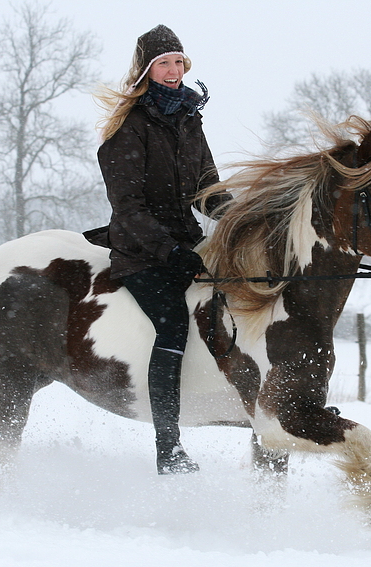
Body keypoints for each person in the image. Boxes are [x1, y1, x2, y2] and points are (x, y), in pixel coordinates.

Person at [89, 25, 230, 474]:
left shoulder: (189, 119)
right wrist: (169, 250)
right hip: (140, 252)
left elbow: (208, 187)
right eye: (164, 63)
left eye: (178, 62)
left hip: (184, 245)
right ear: (147, 70)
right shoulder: (128, 129)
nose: (173, 71)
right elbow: (127, 208)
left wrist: (241, 220)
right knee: (173, 327)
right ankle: (168, 447)